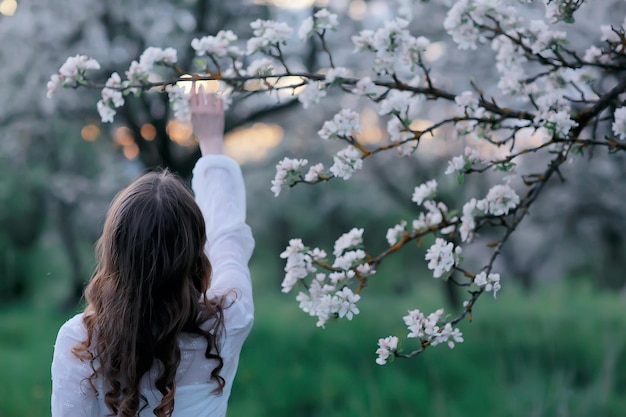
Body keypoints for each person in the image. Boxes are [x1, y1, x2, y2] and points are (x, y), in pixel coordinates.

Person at [51, 83, 254, 417]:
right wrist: (212, 144)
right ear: (195, 253)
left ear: (115, 252)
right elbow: (227, 237)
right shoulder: (227, 322)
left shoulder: (82, 342)